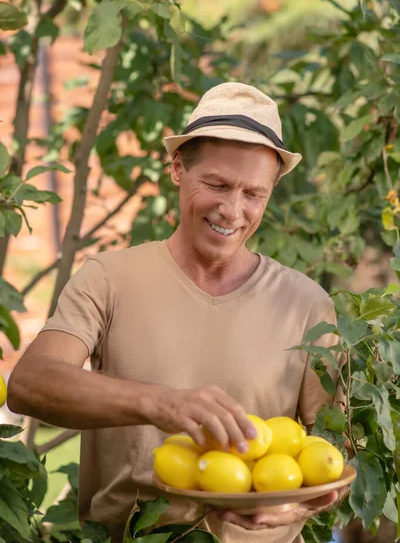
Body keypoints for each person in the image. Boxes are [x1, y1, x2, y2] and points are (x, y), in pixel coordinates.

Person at [8, 82, 346, 543]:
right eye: (217, 184)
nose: (232, 210)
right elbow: (29, 385)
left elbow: (334, 451)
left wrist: (295, 502)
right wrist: (160, 403)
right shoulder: (109, 277)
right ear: (177, 167)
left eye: (254, 194)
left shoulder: (308, 305)